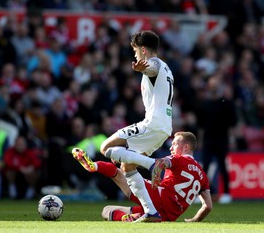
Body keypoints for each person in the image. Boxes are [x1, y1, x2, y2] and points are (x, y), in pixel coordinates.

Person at [88, 30, 174, 222]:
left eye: (135, 52)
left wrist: (141, 68)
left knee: (106, 147)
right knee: (127, 166)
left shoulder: (155, 64)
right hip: (164, 127)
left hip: (152, 124)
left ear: (143, 50)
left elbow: (151, 67)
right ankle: (151, 212)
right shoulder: (167, 68)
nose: (135, 56)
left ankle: (153, 165)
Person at [72, 131, 212, 222]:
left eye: (174, 144)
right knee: (106, 210)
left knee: (122, 170)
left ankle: (94, 166)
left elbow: (161, 163)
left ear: (186, 147)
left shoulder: (179, 159)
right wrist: (194, 220)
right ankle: (131, 218)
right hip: (168, 217)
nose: (171, 147)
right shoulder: (203, 176)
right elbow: (208, 206)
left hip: (159, 197)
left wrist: (153, 168)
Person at [197, 75, 237, 204]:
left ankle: (226, 193)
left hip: (222, 140)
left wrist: (231, 139)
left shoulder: (227, 103)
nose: (213, 86)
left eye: (216, 84)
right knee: (204, 168)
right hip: (208, 140)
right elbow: (201, 126)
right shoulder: (204, 104)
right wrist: (201, 141)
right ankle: (202, 194)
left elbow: (232, 124)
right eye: (211, 84)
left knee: (223, 167)